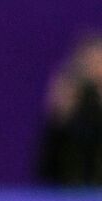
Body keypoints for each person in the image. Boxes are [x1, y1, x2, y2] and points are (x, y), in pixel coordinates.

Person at [38, 33, 102, 186]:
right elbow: (46, 168)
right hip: (67, 193)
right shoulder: (69, 102)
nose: (95, 70)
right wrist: (58, 117)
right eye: (90, 63)